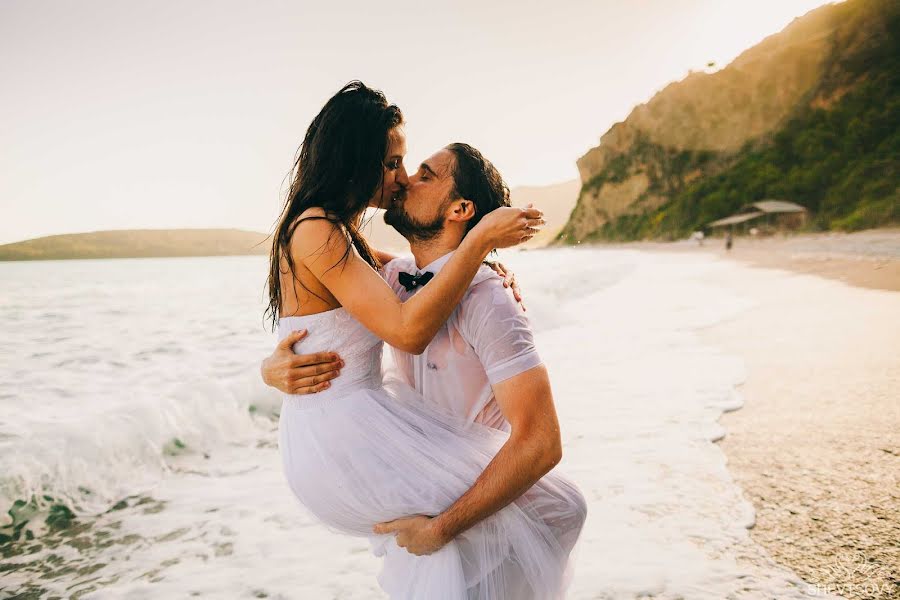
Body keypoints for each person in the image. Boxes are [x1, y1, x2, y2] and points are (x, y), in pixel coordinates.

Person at [268, 80, 584, 599]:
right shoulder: (319, 228)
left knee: (484, 530)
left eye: (413, 169)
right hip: (341, 437)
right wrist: (480, 241)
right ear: (357, 156)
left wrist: (483, 264)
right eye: (393, 163)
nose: (401, 178)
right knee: (553, 508)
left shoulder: (360, 249)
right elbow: (408, 328)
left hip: (343, 433)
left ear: (458, 207)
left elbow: (382, 283)